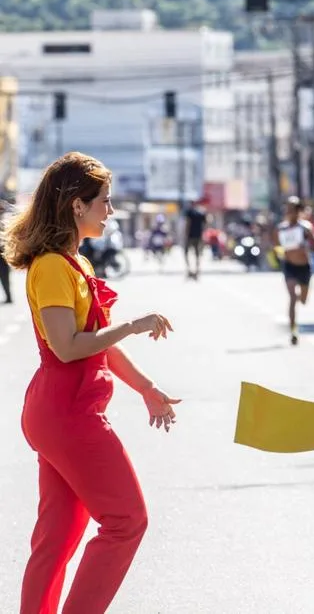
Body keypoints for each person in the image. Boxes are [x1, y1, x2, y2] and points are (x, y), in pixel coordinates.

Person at [1, 152, 180, 614]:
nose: (111, 210)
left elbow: (98, 343)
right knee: (127, 520)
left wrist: (146, 388)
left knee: (57, 539)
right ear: (76, 206)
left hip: (61, 411)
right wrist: (132, 325)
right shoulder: (53, 267)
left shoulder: (74, 263)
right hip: (66, 413)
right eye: (104, 200)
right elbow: (68, 346)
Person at [272, 197, 314, 346]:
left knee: (303, 300)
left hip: (304, 266)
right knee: (292, 298)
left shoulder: (305, 228)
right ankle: (294, 331)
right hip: (289, 266)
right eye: (287, 209)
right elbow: (275, 247)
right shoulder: (280, 229)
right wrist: (280, 253)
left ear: (298, 211)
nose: (289, 212)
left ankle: (303, 295)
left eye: (293, 209)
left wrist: (308, 246)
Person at [183, 199, 207, 279]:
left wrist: (185, 234)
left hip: (190, 236)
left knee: (186, 253)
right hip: (199, 236)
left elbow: (187, 223)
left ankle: (189, 269)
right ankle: (197, 270)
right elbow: (206, 223)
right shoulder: (201, 212)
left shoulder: (189, 212)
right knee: (197, 254)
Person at [1, 199, 12, 303]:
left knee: (5, 278)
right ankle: (8, 297)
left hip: (3, 254)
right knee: (5, 278)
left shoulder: (4, 222)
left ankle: (9, 297)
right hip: (4, 254)